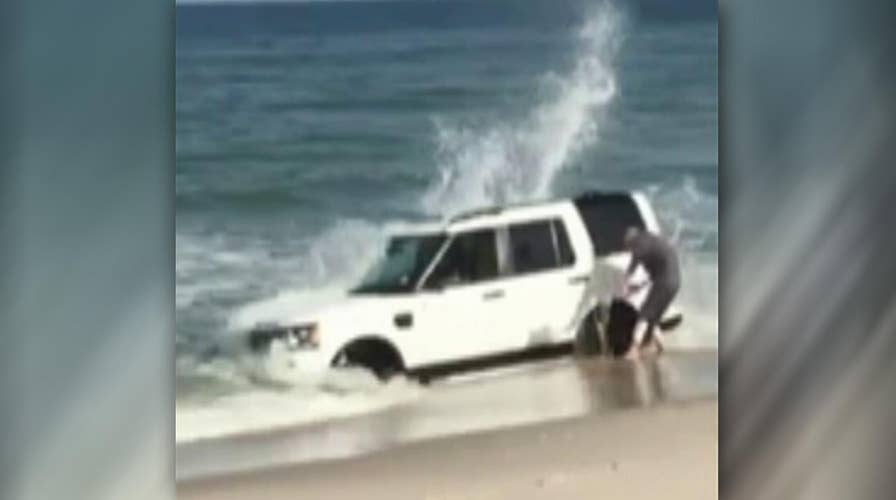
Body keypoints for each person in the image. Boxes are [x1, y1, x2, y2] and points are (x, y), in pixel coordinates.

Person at [622, 226, 681, 358]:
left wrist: (625, 286)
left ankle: (634, 349)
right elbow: (658, 272)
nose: (629, 250)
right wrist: (638, 286)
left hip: (664, 282)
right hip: (675, 282)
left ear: (632, 240)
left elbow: (632, 267)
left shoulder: (639, 243)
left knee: (644, 314)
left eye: (628, 246)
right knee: (653, 317)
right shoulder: (653, 241)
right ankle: (660, 347)